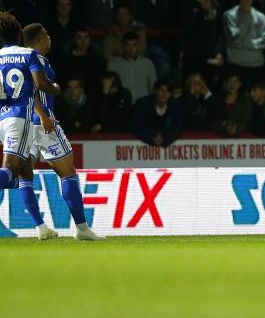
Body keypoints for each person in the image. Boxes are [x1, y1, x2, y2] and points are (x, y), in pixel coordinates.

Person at [21, 23, 103, 240]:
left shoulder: (17, 59)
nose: (50, 39)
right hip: (42, 124)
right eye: (47, 35)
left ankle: (40, 228)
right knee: (68, 172)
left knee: (24, 177)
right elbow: (33, 89)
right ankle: (82, 228)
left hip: (22, 125)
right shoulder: (34, 59)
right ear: (39, 39)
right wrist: (42, 115)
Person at [0, 12, 61, 241]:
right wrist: (55, 88)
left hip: (1, 120)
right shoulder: (29, 55)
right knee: (8, 176)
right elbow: (41, 83)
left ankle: (41, 227)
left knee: (25, 173)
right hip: (19, 119)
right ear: (19, 33)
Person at [222, 0, 265, 85]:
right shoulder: (229, 15)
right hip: (235, 64)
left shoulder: (261, 17)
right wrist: (244, 26)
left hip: (256, 65)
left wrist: (245, 43)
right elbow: (233, 40)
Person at [130, 79, 183, 147]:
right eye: (161, 90)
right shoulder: (142, 104)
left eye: (168, 91)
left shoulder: (175, 106)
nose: (164, 94)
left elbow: (178, 127)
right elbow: (136, 125)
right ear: (155, 91)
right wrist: (153, 137)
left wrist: (164, 137)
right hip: (145, 144)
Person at [108, 31, 157, 101]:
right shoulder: (113, 65)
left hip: (143, 105)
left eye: (134, 45)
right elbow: (110, 90)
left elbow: (153, 87)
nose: (131, 48)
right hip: (122, 105)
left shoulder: (148, 64)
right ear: (123, 45)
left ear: (138, 45)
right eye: (128, 45)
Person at [209, 72, 251, 136]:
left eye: (235, 82)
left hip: (240, 139)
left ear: (240, 84)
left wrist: (237, 128)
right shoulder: (217, 100)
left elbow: (247, 122)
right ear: (225, 83)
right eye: (229, 81)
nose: (232, 85)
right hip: (218, 139)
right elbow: (212, 121)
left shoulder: (245, 101)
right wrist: (225, 128)